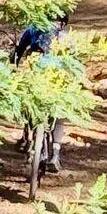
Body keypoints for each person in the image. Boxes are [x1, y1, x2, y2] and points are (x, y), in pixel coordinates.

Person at [11, 13, 70, 173]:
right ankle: (55, 154)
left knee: (28, 104)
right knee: (59, 114)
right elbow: (74, 61)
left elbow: (18, 52)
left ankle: (30, 141)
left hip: (35, 76)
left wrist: (14, 66)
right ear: (63, 24)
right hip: (56, 79)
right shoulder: (65, 37)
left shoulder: (32, 29)